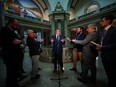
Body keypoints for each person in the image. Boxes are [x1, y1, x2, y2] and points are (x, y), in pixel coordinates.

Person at [0, 19, 25, 87]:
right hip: (10, 56)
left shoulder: (12, 31)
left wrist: (19, 41)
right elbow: (14, 41)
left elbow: (17, 40)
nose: (17, 26)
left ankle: (14, 83)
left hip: (14, 56)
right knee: (11, 73)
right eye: (16, 25)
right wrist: (19, 41)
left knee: (14, 72)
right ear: (11, 23)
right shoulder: (5, 30)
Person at [96, 14, 116, 87]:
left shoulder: (114, 30)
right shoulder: (103, 31)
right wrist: (100, 47)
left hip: (112, 57)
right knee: (109, 75)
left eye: (102, 21)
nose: (100, 22)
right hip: (104, 56)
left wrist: (103, 47)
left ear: (108, 21)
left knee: (113, 75)